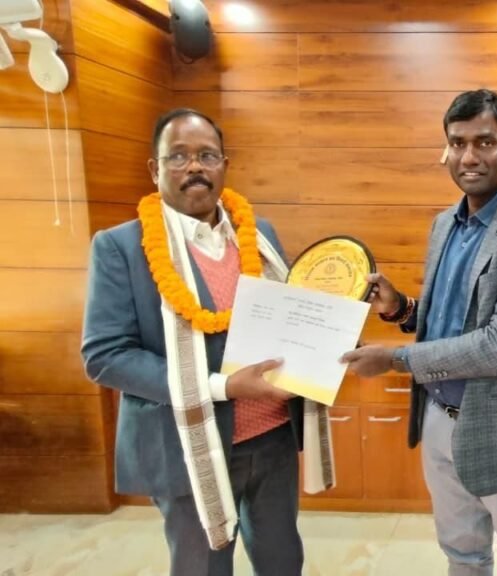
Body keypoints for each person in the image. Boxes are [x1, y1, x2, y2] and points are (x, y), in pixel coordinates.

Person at [82, 108, 333, 576]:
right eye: (178, 156)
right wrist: (223, 387)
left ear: (224, 165)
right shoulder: (121, 247)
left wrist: (330, 334)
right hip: (187, 446)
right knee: (204, 568)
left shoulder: (258, 235)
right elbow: (105, 356)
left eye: (207, 155)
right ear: (154, 169)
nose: (194, 166)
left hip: (272, 439)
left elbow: (285, 318)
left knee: (282, 560)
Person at [342, 89, 497, 576]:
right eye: (458, 143)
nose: (469, 157)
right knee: (462, 556)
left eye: (485, 142)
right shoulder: (444, 224)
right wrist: (401, 309)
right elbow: (454, 320)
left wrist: (395, 360)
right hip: (438, 419)